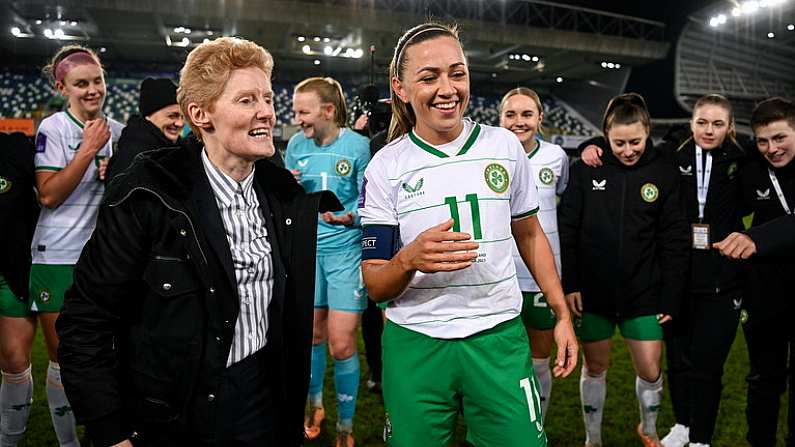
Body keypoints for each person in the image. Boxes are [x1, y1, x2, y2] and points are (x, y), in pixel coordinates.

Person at [56, 36, 341, 447]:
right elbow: (87, 319)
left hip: (261, 402)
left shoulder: (281, 195)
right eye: (246, 100)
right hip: (173, 413)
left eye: (266, 97)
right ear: (200, 114)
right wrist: (110, 430)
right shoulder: (147, 194)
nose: (266, 111)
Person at [359, 22, 578, 447]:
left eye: (456, 73)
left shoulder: (504, 147)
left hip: (498, 338)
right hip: (416, 343)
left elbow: (530, 235)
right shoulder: (385, 167)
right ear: (400, 88)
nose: (447, 88)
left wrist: (561, 313)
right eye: (429, 77)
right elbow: (375, 284)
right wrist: (408, 259)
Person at [580, 94, 747, 447]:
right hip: (673, 275)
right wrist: (592, 144)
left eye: (718, 123)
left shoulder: (741, 159)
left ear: (730, 127)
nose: (709, 129)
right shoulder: (672, 155)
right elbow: (620, 138)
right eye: (702, 122)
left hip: (717, 273)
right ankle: (683, 426)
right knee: (678, 359)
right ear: (691, 123)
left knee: (701, 363)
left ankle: (695, 435)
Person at [2, 44, 123, 447]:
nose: (92, 90)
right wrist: (88, 151)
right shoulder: (54, 128)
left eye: (97, 81)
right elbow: (49, 195)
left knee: (99, 358)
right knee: (65, 359)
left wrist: (115, 172)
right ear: (62, 86)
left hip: (100, 260)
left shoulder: (118, 131)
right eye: (81, 84)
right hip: (56, 257)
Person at [559, 93, 689, 447]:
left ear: (648, 132)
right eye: (619, 142)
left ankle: (648, 429)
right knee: (596, 367)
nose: (628, 150)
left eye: (635, 141)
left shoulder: (663, 169)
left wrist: (671, 294)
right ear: (605, 136)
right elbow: (567, 228)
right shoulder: (587, 167)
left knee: (649, 368)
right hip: (594, 291)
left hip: (645, 291)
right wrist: (571, 283)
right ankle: (593, 439)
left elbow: (675, 238)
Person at [284, 76, 370, 447]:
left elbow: (372, 204)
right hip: (306, 253)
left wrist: (349, 217)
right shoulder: (294, 146)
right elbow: (286, 203)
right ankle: (314, 405)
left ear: (328, 111)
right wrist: (285, 186)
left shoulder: (359, 146)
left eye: (303, 111)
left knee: (342, 345)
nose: (297, 118)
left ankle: (346, 427)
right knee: (312, 337)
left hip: (346, 253)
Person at [716, 97, 795, 446]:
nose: (772, 149)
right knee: (764, 378)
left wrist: (756, 238)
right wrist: (596, 146)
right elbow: (699, 145)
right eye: (763, 141)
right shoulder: (751, 163)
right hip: (766, 291)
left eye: (780, 138)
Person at [499, 87, 569, 417]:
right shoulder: (491, 157)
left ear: (540, 118)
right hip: (501, 276)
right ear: (500, 119)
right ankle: (504, 422)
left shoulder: (556, 156)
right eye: (510, 114)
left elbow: (565, 198)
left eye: (527, 114)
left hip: (542, 276)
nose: (518, 121)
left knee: (540, 359)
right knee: (502, 359)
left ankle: (536, 422)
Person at [0, 132, 39, 445]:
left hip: (9, 271)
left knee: (14, 360)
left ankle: (9, 440)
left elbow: (50, 190)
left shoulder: (16, 148)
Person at [106, 77, 184, 180]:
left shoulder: (168, 147)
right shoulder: (136, 155)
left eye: (182, 117)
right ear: (149, 116)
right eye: (172, 116)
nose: (180, 123)